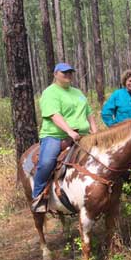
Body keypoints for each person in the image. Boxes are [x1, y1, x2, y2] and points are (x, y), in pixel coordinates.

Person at [31, 62, 98, 213]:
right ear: (55, 74)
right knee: (47, 162)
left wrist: (95, 131)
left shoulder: (78, 92)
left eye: (70, 73)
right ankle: (38, 197)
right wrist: (69, 131)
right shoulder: (50, 92)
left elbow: (89, 113)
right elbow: (54, 115)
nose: (68, 75)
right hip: (56, 135)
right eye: (64, 73)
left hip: (82, 135)